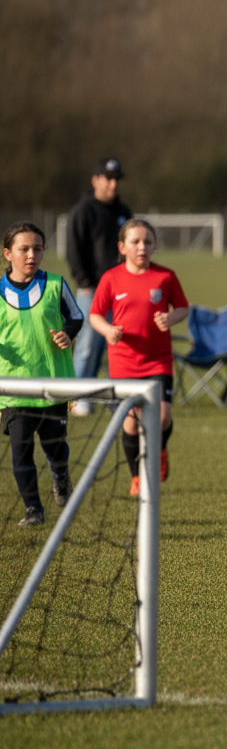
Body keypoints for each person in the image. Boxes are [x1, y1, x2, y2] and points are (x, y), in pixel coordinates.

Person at [90, 219, 189, 497]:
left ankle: (160, 450)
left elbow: (183, 308)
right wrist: (108, 330)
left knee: (163, 417)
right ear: (122, 247)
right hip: (123, 362)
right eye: (135, 242)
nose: (142, 247)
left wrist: (170, 318)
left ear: (155, 246)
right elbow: (95, 315)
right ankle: (136, 476)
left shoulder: (165, 277)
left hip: (158, 360)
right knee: (131, 423)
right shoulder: (111, 278)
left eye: (148, 241)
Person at [0, 222, 81, 527]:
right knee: (21, 449)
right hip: (13, 388)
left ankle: (60, 475)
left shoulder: (55, 285)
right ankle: (33, 509)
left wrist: (67, 333)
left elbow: (76, 316)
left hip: (52, 384)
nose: (32, 255)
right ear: (8, 253)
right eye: (24, 249)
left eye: (38, 248)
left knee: (54, 446)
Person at [65, 157, 132, 416]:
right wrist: (84, 282)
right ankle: (79, 398)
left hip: (122, 291)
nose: (113, 184)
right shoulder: (83, 211)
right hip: (92, 291)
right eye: (108, 179)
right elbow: (73, 249)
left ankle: (116, 397)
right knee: (87, 346)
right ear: (95, 180)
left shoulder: (124, 212)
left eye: (116, 179)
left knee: (117, 345)